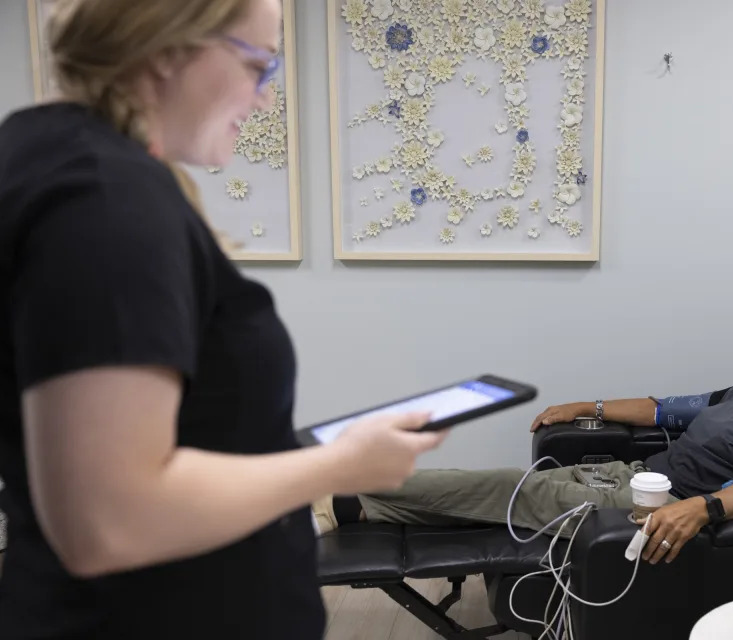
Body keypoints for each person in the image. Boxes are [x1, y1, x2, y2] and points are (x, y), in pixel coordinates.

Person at [0, 1, 447, 638]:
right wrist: (338, 467)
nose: (264, 99)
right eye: (258, 66)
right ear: (166, 52)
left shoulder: (49, 152)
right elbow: (110, 519)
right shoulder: (104, 201)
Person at [315, 320, 733, 566]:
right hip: (624, 477)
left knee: (501, 487)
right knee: (501, 494)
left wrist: (704, 506)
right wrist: (584, 407)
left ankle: (334, 496)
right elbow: (659, 408)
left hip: (652, 509)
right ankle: (349, 507)